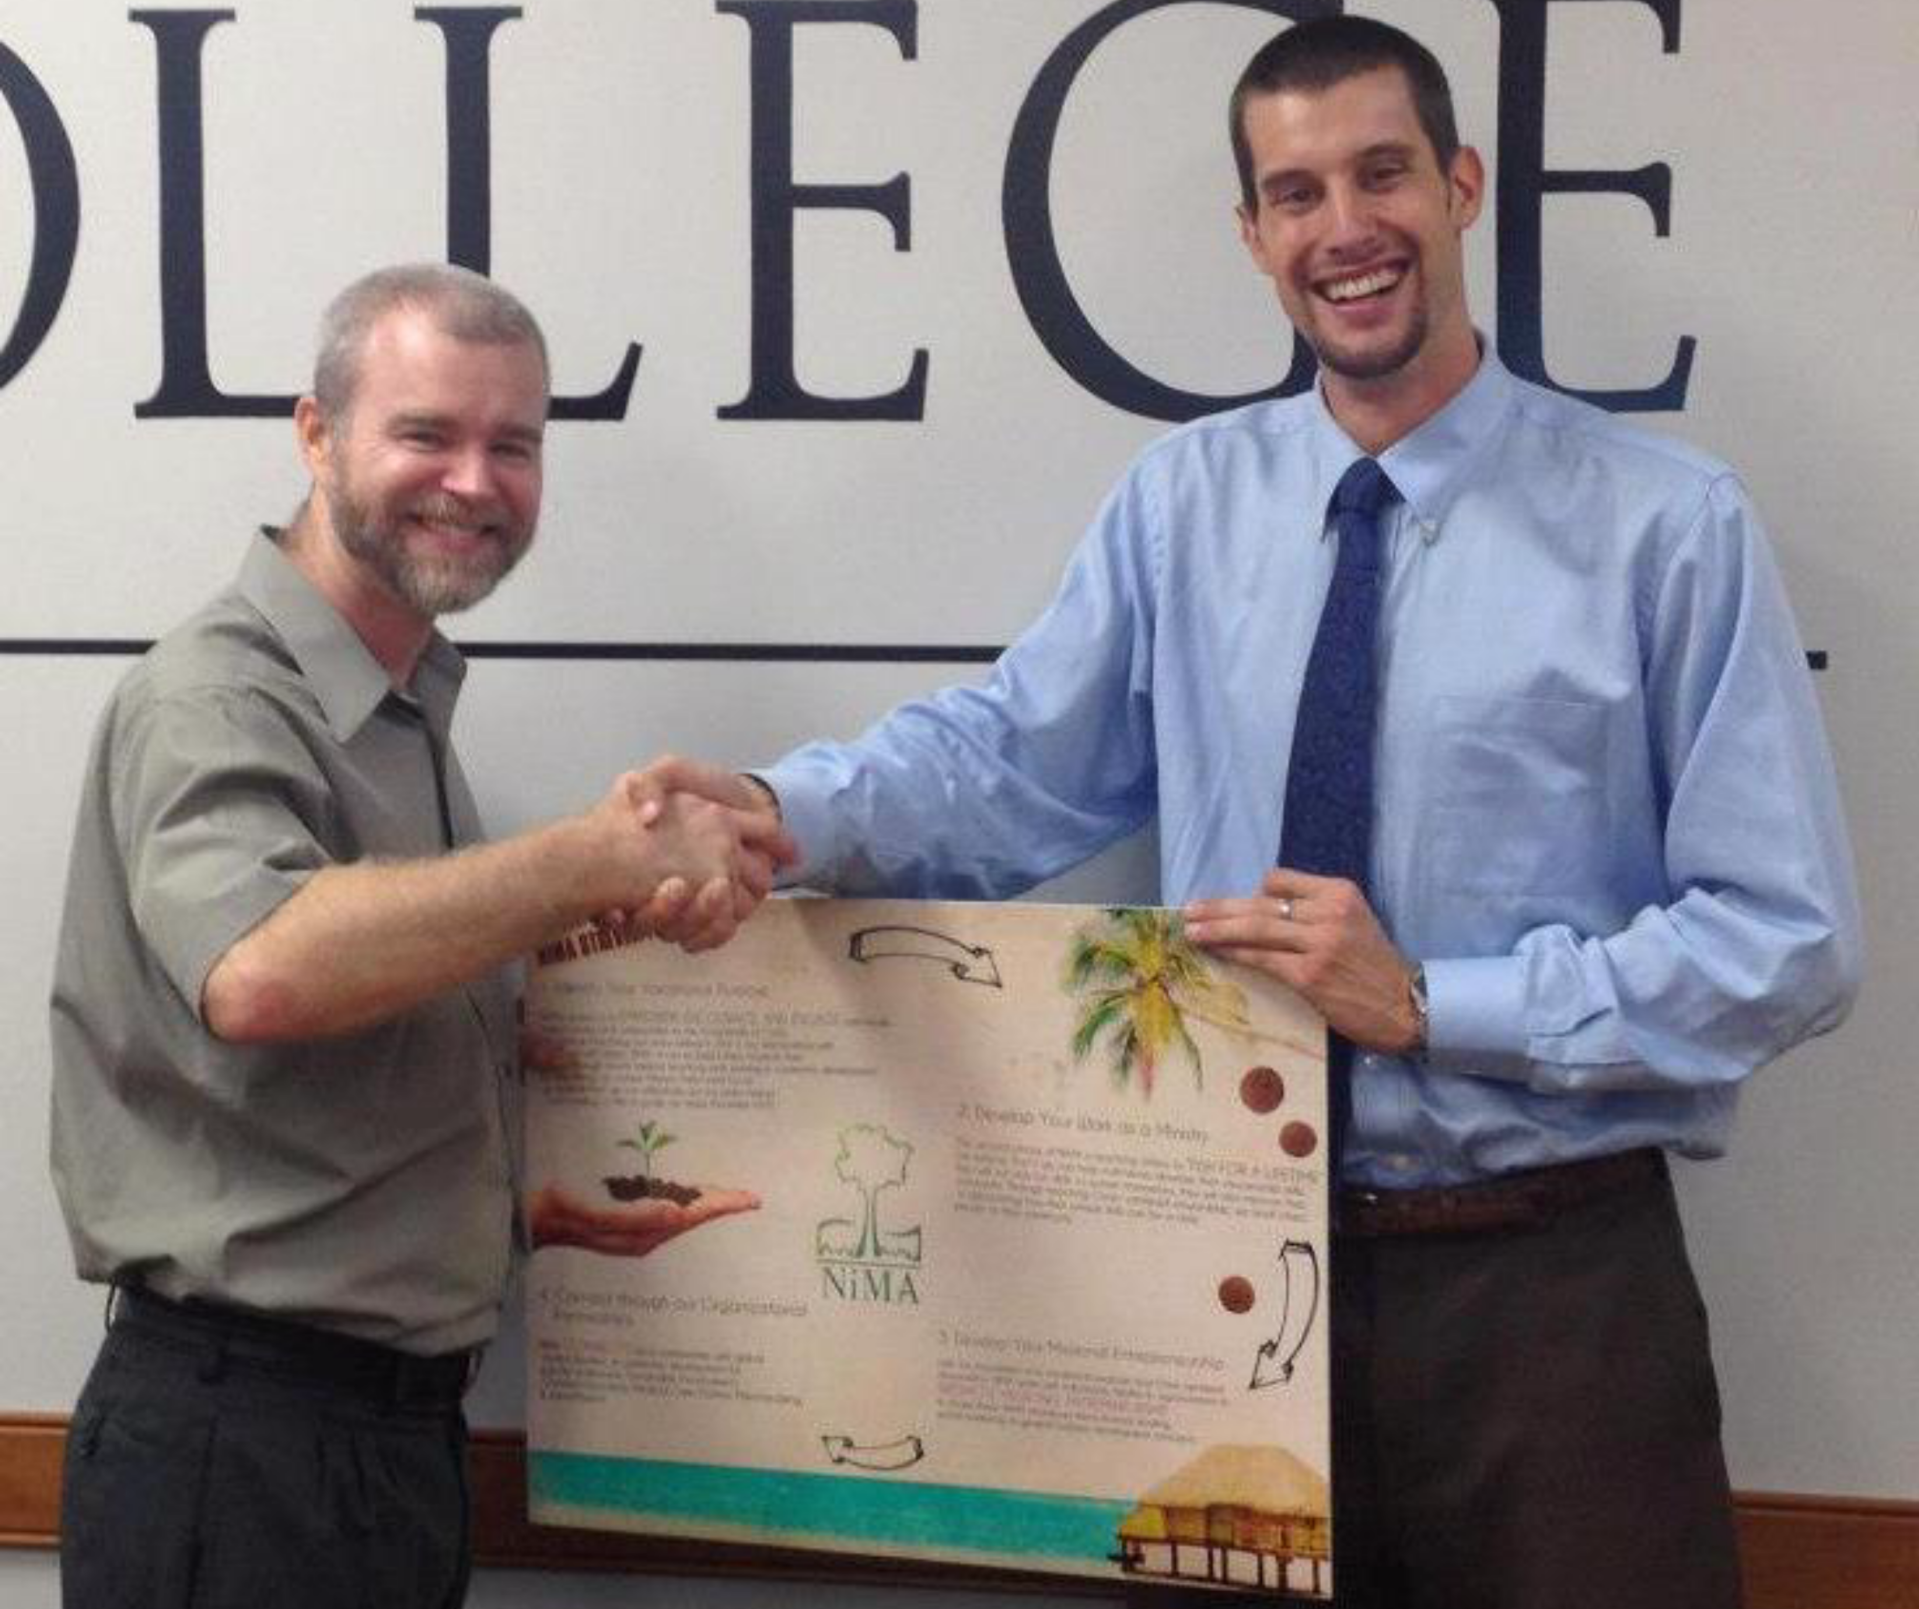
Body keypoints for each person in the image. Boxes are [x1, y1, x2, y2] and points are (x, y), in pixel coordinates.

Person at [731, 17, 1860, 1608]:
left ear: (1460, 187)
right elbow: (1000, 765)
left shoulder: (1665, 526)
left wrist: (1431, 1005)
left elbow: (1788, 941)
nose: (1345, 228)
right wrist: (771, 813)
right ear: (1253, 235)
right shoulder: (1178, 507)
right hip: (1230, 1279)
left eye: (1381, 173)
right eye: (1295, 192)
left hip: (1553, 1305)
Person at [49, 263, 793, 1609]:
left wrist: (510, 1211)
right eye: (426, 434)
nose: (473, 481)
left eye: (514, 446)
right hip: (247, 1455)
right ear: (316, 435)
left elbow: (334, 1067)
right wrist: (597, 856)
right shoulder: (214, 695)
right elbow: (262, 970)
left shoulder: (401, 711)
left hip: (377, 1450)